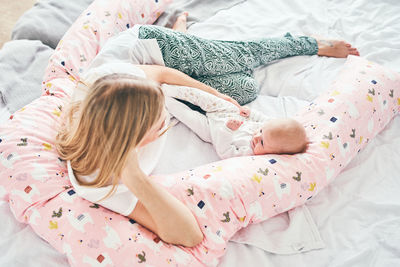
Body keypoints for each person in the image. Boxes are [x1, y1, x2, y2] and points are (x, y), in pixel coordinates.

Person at [56, 12, 360, 248]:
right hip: (141, 92)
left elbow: (160, 75)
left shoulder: (108, 84)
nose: (164, 122)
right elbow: (188, 235)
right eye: (157, 121)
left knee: (240, 58)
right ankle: (185, 37)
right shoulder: (97, 179)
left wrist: (213, 95)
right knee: (246, 87)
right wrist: (134, 177)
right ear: (129, 138)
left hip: (146, 48)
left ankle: (307, 42)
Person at [163, 83, 308, 159]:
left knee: (186, 114)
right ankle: (171, 90)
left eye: (262, 143)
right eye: (261, 131)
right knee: (204, 97)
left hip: (212, 131)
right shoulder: (270, 128)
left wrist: (227, 130)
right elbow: (262, 119)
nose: (256, 137)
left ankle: (163, 99)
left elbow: (225, 151)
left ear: (275, 154)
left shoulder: (248, 153)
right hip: (229, 113)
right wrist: (251, 113)